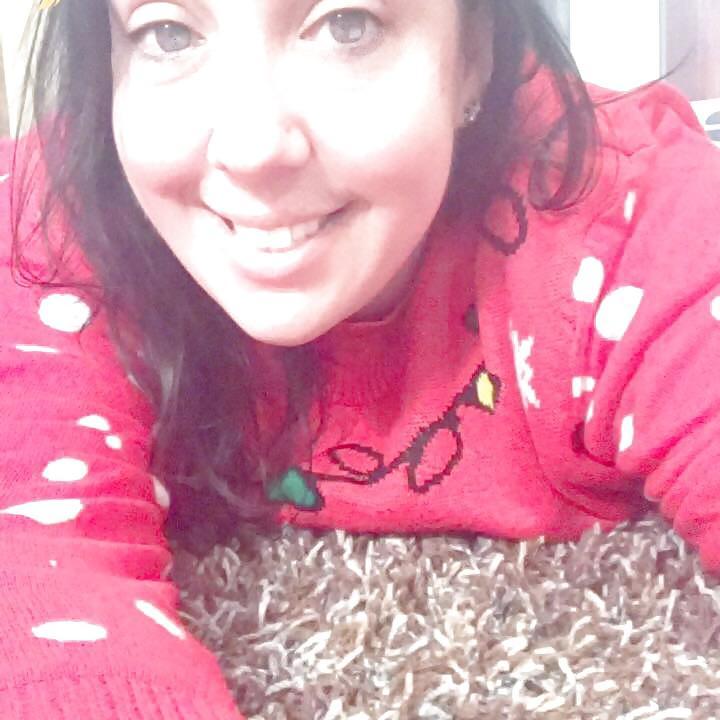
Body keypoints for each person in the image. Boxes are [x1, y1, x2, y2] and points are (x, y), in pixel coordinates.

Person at [2, 0, 720, 717]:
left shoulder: (621, 214)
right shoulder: (57, 229)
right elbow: (37, 575)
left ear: (474, 53)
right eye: (168, 33)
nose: (252, 149)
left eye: (348, 25)